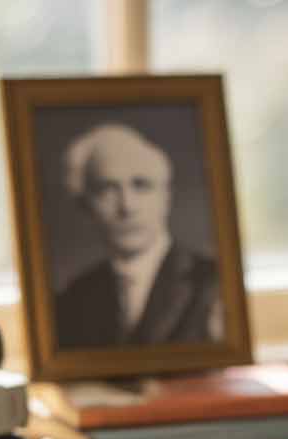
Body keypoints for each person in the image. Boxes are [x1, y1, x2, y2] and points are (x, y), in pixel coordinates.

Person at [54, 123, 221, 349]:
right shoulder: (73, 300)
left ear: (166, 196)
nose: (127, 206)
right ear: (86, 207)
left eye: (141, 185)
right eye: (106, 189)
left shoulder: (213, 282)